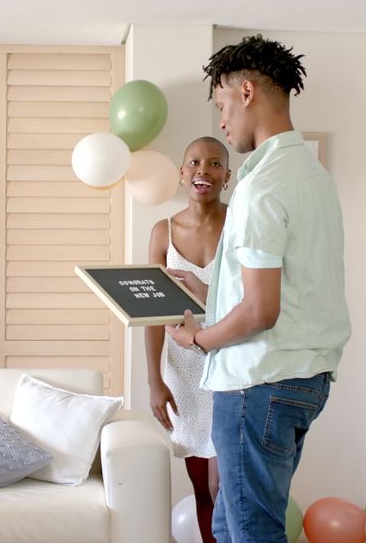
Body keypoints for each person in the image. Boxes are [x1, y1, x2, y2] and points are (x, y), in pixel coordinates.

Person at [167, 35, 351, 543]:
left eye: (223, 106)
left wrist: (199, 339)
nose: (222, 123)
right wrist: (209, 301)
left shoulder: (260, 185)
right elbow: (291, 293)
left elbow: (260, 311)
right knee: (231, 524)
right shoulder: (313, 177)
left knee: (250, 532)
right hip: (304, 378)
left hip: (258, 385)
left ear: (246, 92)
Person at [146, 136, 230, 543]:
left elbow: (255, 303)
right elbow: (150, 314)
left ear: (226, 177)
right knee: (203, 488)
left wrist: (204, 293)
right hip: (184, 376)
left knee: (227, 488)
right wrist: (153, 381)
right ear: (181, 174)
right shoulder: (162, 232)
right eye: (194, 162)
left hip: (232, 367)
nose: (203, 170)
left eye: (214, 163)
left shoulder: (240, 227)